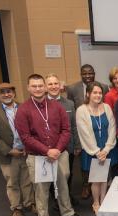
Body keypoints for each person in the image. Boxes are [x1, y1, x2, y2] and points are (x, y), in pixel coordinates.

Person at [15, 74, 83, 216]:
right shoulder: (23, 110)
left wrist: (57, 149)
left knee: (63, 184)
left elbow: (66, 130)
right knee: (41, 189)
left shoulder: (56, 106)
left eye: (40, 86)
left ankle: (67, 211)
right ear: (28, 88)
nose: (38, 89)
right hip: (38, 156)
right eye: (34, 86)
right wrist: (47, 151)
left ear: (45, 87)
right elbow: (25, 137)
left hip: (59, 152)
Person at [0, 82, 35, 216]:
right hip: (7, 154)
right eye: (2, 92)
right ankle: (16, 208)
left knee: (27, 180)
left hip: (25, 151)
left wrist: (29, 146)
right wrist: (8, 150)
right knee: (12, 182)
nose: (6, 94)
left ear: (14, 93)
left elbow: (31, 128)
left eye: (9, 91)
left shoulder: (24, 107)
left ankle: (29, 203)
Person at [66, 64, 109, 199]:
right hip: (82, 131)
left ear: (94, 73)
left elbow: (104, 108)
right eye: (84, 73)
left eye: (90, 73)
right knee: (85, 164)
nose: (88, 76)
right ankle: (86, 185)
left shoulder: (104, 86)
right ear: (81, 74)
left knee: (102, 165)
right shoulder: (73, 88)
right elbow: (72, 110)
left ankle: (100, 191)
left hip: (100, 128)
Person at [76, 82, 117, 214]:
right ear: (88, 94)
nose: (98, 95)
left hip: (107, 148)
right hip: (92, 150)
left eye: (100, 93)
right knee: (95, 179)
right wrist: (97, 151)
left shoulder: (106, 107)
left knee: (104, 177)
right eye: (95, 92)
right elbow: (84, 134)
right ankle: (96, 202)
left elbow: (112, 128)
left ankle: (104, 200)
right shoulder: (81, 110)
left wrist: (106, 149)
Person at [45, 73, 81, 207]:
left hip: (67, 146)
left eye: (56, 83)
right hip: (49, 148)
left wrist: (77, 144)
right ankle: (55, 198)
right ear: (45, 87)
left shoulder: (69, 104)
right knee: (52, 175)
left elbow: (73, 125)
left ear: (60, 86)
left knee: (68, 173)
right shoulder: (42, 104)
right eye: (50, 84)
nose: (53, 86)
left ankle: (67, 195)